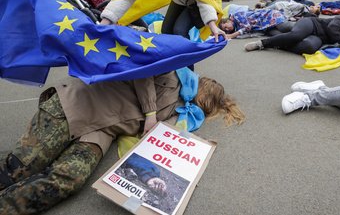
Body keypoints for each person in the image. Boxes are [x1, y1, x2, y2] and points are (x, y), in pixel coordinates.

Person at [0, 69, 245, 214]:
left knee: (69, 179)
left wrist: (181, 154)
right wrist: (150, 112)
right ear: (204, 89)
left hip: (102, 133)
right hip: (77, 105)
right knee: (19, 168)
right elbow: (142, 68)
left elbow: (158, 140)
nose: (200, 107)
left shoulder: (179, 111)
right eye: (207, 102)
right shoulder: (173, 71)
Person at [244, 14, 340, 55]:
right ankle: (262, 43)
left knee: (309, 48)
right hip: (312, 23)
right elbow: (332, 27)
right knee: (296, 36)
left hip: (318, 37)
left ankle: (280, 44)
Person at [218, 9, 294, 39]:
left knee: (283, 27)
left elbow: (247, 27)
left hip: (270, 16)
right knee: (279, 36)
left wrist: (231, 35)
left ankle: (303, 24)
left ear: (228, 21)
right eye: (225, 29)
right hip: (266, 27)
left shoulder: (237, 15)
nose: (227, 29)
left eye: (226, 27)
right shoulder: (236, 28)